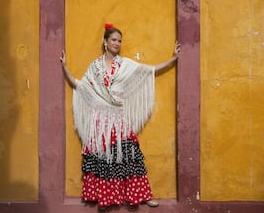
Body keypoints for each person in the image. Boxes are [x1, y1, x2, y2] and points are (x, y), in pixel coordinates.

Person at [59, 23, 180, 211]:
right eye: (114, 40)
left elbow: (148, 71)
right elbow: (81, 85)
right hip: (99, 122)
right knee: (104, 160)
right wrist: (65, 66)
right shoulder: (95, 67)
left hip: (118, 119)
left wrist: (172, 59)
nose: (117, 43)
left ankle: (142, 195)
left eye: (119, 41)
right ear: (105, 42)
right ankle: (105, 198)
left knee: (129, 155)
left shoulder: (125, 65)